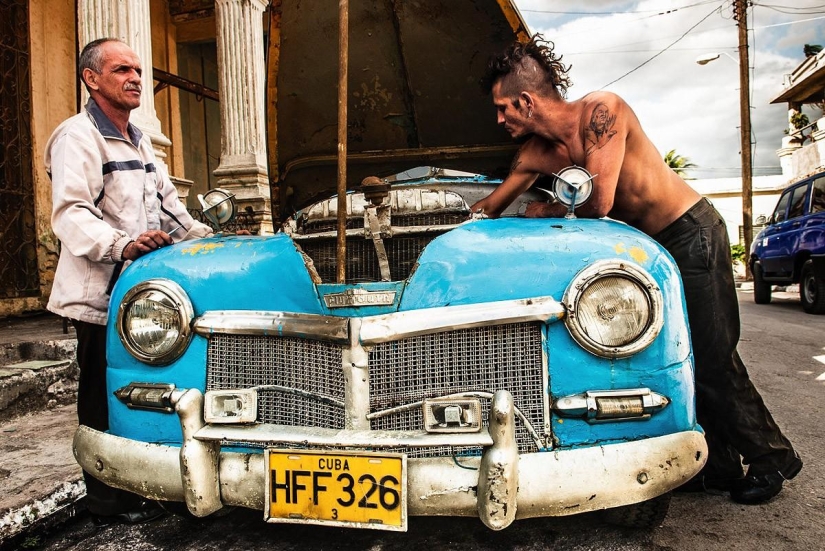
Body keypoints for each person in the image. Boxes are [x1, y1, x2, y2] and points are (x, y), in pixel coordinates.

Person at [471, 36, 802, 505]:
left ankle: (772, 458)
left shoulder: (603, 111)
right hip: (646, 250)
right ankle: (723, 465)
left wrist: (545, 210)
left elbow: (600, 200)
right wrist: (452, 216)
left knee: (711, 353)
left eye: (504, 108)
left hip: (691, 231)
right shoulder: (534, 155)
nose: (500, 119)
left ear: (526, 101)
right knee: (679, 354)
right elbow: (492, 206)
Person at [45, 38, 214, 525]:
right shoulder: (77, 137)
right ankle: (106, 502)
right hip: (98, 299)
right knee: (101, 399)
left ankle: (142, 483)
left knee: (146, 392)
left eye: (138, 70)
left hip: (141, 303)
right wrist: (121, 244)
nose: (136, 78)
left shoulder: (138, 140)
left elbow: (172, 210)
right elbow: (72, 212)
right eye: (122, 70)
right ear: (91, 79)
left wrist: (214, 239)